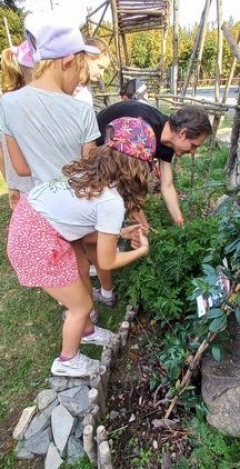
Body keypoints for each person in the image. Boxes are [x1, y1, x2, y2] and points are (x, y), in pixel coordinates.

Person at [7, 117, 152, 378]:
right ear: (136, 167)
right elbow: (107, 262)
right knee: (81, 306)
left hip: (31, 223)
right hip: (38, 241)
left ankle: (88, 332)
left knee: (80, 273)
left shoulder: (89, 174)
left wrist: (119, 232)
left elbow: (80, 220)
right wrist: (140, 251)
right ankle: (67, 361)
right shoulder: (112, 201)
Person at [0, 12, 113, 317]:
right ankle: (87, 312)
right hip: (78, 204)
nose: (80, 75)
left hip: (41, 207)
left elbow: (21, 169)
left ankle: (83, 317)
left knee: (67, 264)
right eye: (79, 64)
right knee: (80, 255)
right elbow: (89, 171)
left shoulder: (7, 104)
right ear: (66, 60)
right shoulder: (81, 110)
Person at [96, 101, 212, 226]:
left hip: (109, 161)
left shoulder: (168, 142)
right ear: (182, 133)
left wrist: (180, 223)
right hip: (93, 150)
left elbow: (167, 185)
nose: (193, 152)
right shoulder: (142, 128)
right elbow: (127, 182)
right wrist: (143, 225)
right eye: (194, 145)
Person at [0, 40, 34, 209]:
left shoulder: (6, 101)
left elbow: (2, 150)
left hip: (22, 186)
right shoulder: (28, 103)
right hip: (39, 185)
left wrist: (11, 183)